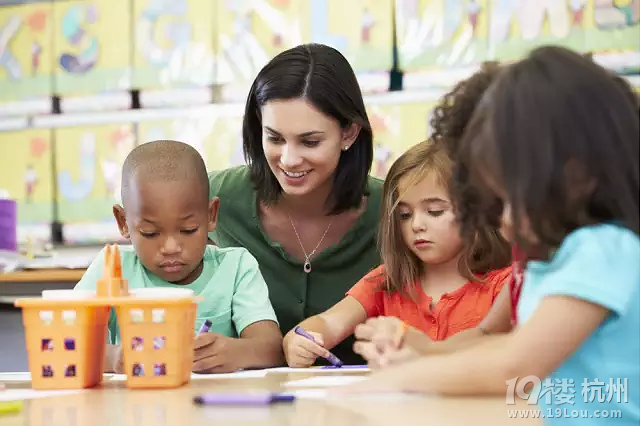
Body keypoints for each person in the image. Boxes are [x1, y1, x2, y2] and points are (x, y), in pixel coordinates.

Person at [346, 46, 640, 426]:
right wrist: (419, 356)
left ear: (577, 176)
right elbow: (502, 344)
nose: (502, 223)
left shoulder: (603, 248)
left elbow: (515, 363)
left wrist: (401, 379)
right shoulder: (552, 259)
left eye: (508, 200)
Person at [208, 43, 383, 364]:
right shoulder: (215, 196)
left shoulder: (395, 209)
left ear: (349, 133)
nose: (288, 159)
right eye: (274, 138)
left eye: (310, 141)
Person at [283, 139, 512, 367]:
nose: (416, 225)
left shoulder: (505, 285)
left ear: (477, 212)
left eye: (434, 211)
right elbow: (328, 323)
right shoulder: (386, 281)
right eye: (404, 215)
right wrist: (298, 341)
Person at [75, 140, 283, 373]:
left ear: (211, 215)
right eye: (150, 233)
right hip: (134, 405)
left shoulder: (236, 267)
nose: (171, 247)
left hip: (215, 405)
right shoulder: (111, 268)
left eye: (188, 230)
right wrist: (114, 358)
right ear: (123, 222)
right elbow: (65, 342)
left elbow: (272, 348)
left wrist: (235, 353)